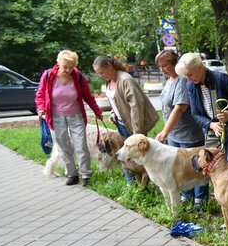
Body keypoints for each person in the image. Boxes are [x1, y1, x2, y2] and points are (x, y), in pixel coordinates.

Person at [35, 50, 103, 186]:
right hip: (56, 117)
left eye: (71, 67)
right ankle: (72, 174)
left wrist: (97, 111)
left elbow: (87, 95)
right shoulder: (48, 76)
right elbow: (40, 94)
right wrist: (41, 107)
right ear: (58, 62)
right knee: (63, 146)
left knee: (81, 145)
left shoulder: (78, 76)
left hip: (76, 116)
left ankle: (86, 175)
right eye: (65, 66)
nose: (68, 70)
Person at [176, 52, 228, 172]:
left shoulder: (221, 79)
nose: (188, 79)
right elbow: (195, 114)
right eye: (186, 76)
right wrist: (211, 124)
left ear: (200, 67)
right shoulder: (190, 86)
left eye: (190, 74)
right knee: (215, 170)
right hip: (213, 134)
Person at [154, 49, 207, 209]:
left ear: (174, 64)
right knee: (179, 167)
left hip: (188, 132)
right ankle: (186, 195)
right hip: (175, 134)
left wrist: (165, 131)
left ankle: (200, 199)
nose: (162, 69)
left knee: (196, 166)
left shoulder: (182, 80)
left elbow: (179, 107)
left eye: (165, 65)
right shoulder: (169, 80)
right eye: (159, 66)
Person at [93, 55, 159, 183]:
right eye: (98, 73)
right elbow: (116, 100)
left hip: (134, 126)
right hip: (121, 124)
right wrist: (113, 112)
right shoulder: (109, 80)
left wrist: (137, 133)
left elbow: (136, 107)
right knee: (123, 155)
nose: (101, 75)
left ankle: (145, 185)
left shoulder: (125, 80)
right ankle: (132, 184)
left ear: (109, 66)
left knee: (139, 157)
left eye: (102, 72)